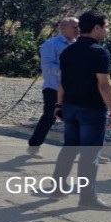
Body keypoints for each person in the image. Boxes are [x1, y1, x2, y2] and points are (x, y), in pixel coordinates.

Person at [47, 10, 111, 210]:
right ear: (96, 28)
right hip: (92, 109)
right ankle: (87, 197)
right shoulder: (100, 52)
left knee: (69, 149)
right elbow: (104, 85)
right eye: (105, 26)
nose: (107, 30)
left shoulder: (68, 51)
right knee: (90, 155)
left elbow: (63, 81)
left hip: (70, 107)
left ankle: (57, 188)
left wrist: (59, 105)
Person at [26, 16, 79, 157]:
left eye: (78, 27)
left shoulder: (77, 44)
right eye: (74, 27)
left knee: (78, 117)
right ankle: (34, 145)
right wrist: (68, 70)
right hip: (53, 87)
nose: (78, 30)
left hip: (72, 87)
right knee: (50, 116)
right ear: (63, 29)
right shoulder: (50, 45)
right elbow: (48, 66)